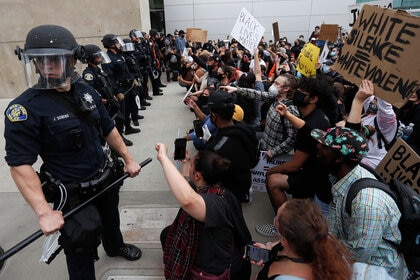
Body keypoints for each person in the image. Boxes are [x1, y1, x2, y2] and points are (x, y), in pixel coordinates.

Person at [5, 25, 142, 280]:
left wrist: (129, 158)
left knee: (111, 219)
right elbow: (20, 165)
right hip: (72, 191)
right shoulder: (24, 109)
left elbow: (108, 127)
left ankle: (114, 247)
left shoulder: (85, 90)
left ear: (71, 60)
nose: (47, 67)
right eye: (41, 61)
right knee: (81, 242)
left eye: (55, 60)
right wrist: (44, 211)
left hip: (104, 177)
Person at [311, 125, 408, 279]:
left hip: (376, 272)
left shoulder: (367, 203)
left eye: (325, 146)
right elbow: (335, 229)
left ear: (339, 158)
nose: (318, 146)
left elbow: (357, 254)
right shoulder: (340, 177)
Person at [156, 145, 252, 280]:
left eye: (191, 166)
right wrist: (187, 162)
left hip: (213, 270)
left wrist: (163, 158)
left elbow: (187, 200)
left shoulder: (217, 203)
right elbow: (187, 186)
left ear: (197, 175)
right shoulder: (211, 187)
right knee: (166, 234)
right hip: (210, 249)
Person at [256, 77, 336, 236]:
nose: (297, 94)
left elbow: (294, 164)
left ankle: (284, 227)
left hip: (314, 179)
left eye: (302, 92)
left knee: (273, 181)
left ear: (313, 99)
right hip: (313, 174)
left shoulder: (313, 123)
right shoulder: (313, 116)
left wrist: (271, 171)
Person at [252, 199, 352, 280]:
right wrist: (269, 250)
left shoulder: (284, 277)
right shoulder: (324, 242)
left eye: (276, 219)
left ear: (284, 240)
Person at [205, 90, 259, 202]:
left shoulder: (215, 149)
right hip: (244, 182)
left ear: (214, 115)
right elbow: (254, 160)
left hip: (226, 195)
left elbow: (209, 179)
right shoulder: (247, 130)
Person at [81, 44, 133, 147]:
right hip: (102, 105)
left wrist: (114, 95)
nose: (100, 57)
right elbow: (89, 91)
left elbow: (108, 85)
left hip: (110, 102)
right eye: (97, 56)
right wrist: (102, 100)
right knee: (106, 127)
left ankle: (120, 138)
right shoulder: (89, 74)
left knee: (119, 120)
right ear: (90, 58)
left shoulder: (100, 71)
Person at [101, 34, 142, 136]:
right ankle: (120, 136)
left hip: (127, 86)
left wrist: (133, 79)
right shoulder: (108, 58)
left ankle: (128, 127)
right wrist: (117, 92)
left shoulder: (120, 54)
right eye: (116, 42)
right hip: (119, 88)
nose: (119, 44)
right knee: (121, 113)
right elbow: (110, 78)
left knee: (129, 108)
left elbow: (126, 70)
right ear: (110, 44)